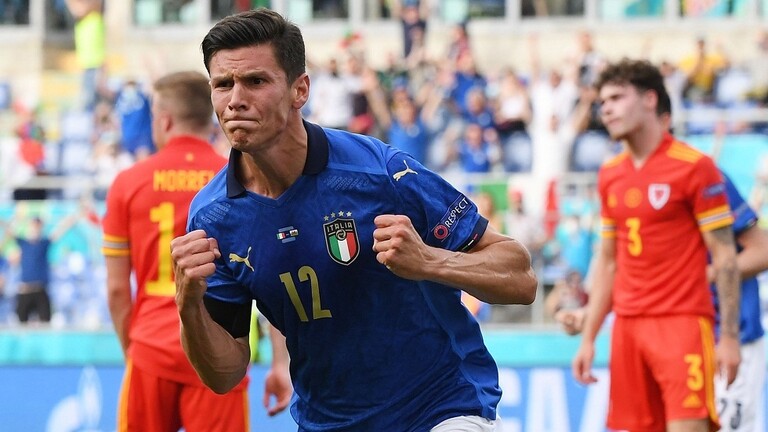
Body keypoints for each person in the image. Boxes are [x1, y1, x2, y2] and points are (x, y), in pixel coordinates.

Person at [170, 8, 537, 432]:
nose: (236, 99)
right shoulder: (213, 217)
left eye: (255, 81)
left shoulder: (381, 173)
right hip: (326, 422)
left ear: (299, 90)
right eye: (223, 84)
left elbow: (521, 277)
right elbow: (224, 375)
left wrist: (430, 261)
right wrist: (188, 306)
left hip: (440, 409)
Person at [102, 71, 291, 432]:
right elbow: (273, 278)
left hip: (151, 349)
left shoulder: (128, 183)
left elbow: (116, 290)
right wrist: (280, 363)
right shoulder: (243, 180)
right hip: (218, 347)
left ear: (164, 120)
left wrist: (135, 351)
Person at [570, 58, 741, 432]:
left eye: (617, 98)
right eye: (602, 102)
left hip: (682, 324)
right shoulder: (610, 175)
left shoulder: (695, 167)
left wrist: (729, 337)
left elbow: (725, 255)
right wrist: (589, 337)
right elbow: (609, 262)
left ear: (650, 99)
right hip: (627, 328)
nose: (606, 109)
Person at [557, 172, 768, 432]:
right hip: (671, 344)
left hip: (727, 339)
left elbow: (763, 250)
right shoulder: (623, 182)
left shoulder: (701, 174)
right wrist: (591, 314)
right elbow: (638, 273)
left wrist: (703, 277)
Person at [0, 212, 80, 324]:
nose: (35, 229)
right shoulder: (23, 243)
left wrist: (71, 219)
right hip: (25, 290)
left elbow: (59, 232)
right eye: (33, 226)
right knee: (20, 324)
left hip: (40, 290)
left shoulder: (44, 243)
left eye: (38, 226)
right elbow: (9, 231)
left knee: (45, 322)